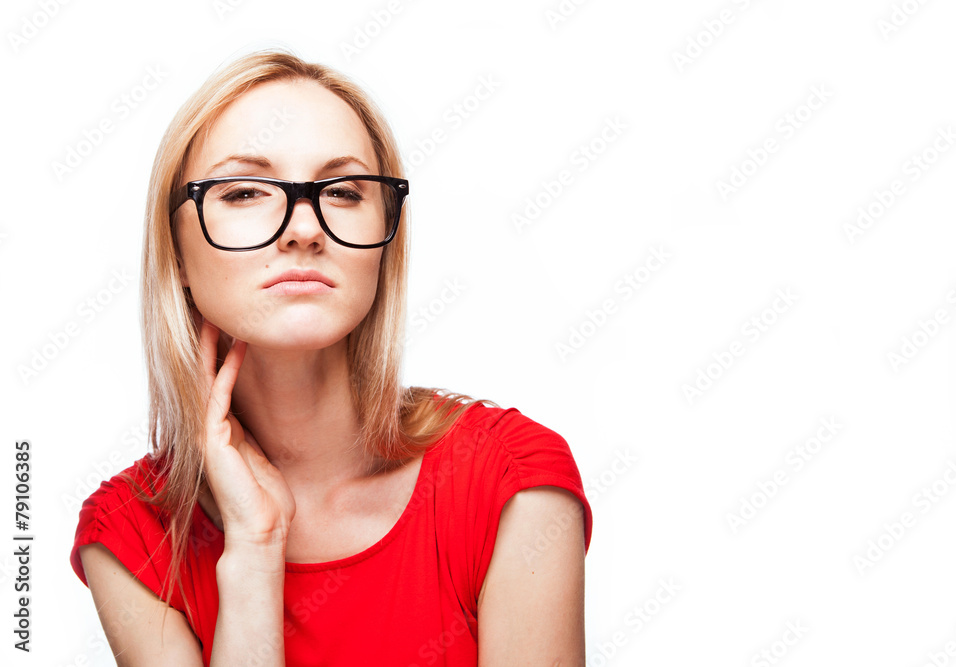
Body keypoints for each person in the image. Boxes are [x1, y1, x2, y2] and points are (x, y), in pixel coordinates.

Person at [69, 49, 593, 665]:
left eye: (342, 192)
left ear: (385, 238)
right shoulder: (131, 535)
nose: (304, 229)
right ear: (177, 252)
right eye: (244, 192)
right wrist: (255, 549)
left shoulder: (511, 483)